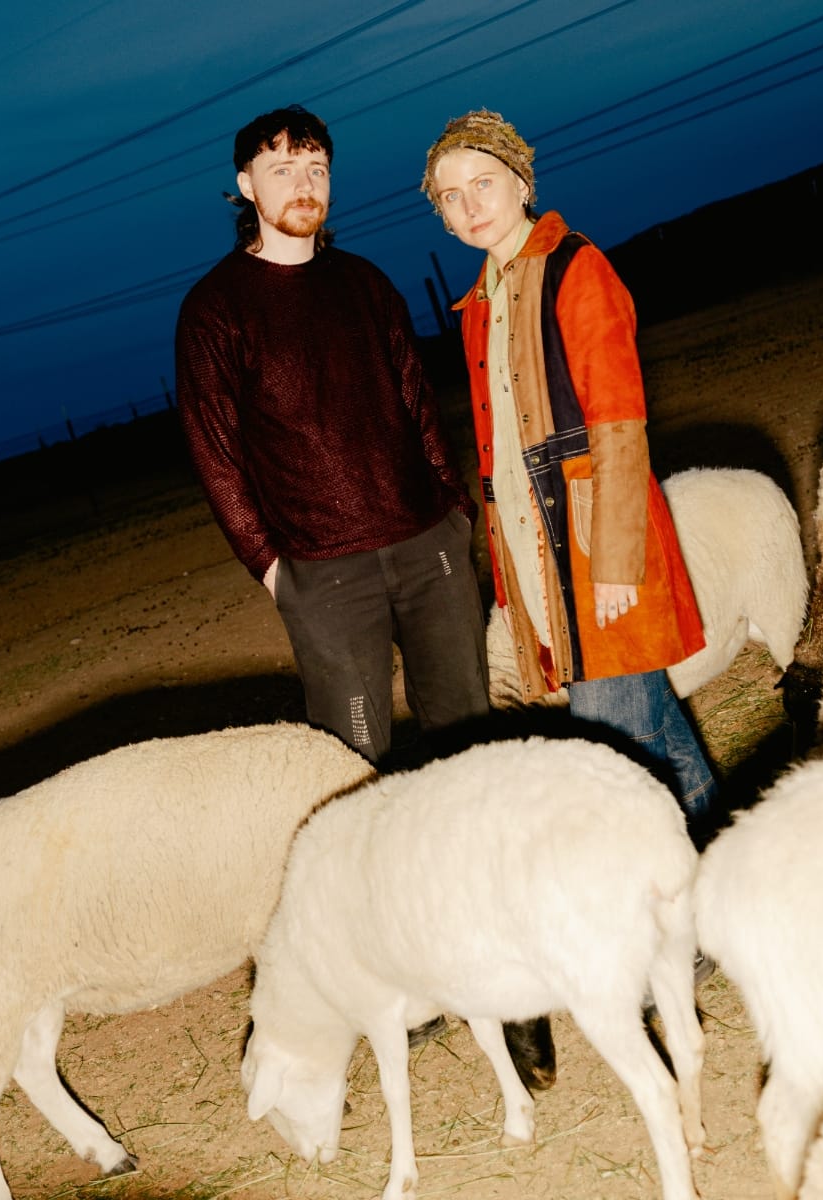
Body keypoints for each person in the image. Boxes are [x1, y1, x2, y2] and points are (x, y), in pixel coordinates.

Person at [421, 109, 723, 851]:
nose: (471, 205)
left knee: (618, 756)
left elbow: (619, 421)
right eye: (451, 196)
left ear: (523, 182)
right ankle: (725, 875)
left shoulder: (574, 266)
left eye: (484, 183)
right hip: (543, 559)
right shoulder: (478, 303)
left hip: (595, 553)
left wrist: (617, 561)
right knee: (654, 731)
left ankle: (670, 905)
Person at [174, 105, 492, 766]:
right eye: (282, 168)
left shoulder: (366, 283)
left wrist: (454, 512)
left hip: (429, 548)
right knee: (355, 757)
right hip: (323, 574)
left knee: (470, 740)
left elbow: (418, 404)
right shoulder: (215, 309)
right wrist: (269, 567)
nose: (303, 184)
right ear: (246, 183)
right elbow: (217, 454)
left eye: (316, 168)